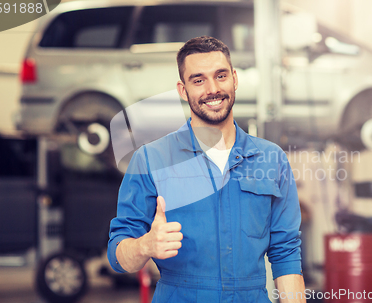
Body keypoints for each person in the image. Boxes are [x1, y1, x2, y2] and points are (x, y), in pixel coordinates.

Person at [108, 36, 305, 302]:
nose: (212, 89)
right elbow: (119, 256)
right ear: (182, 89)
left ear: (235, 79)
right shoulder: (151, 159)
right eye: (198, 80)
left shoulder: (271, 159)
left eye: (221, 76)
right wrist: (145, 245)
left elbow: (286, 254)